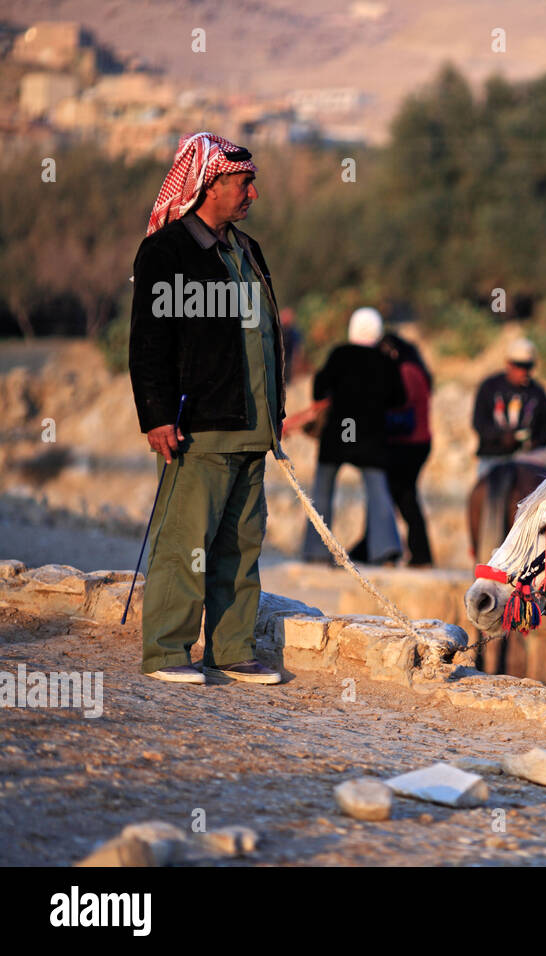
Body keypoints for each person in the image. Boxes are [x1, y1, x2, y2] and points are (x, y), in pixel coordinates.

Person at [128, 132, 285, 685]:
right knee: (185, 543)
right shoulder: (166, 252)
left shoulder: (247, 249)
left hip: (252, 429)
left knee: (241, 546)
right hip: (196, 429)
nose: (252, 194)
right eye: (244, 183)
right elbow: (149, 343)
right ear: (208, 184)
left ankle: (232, 649)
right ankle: (168, 651)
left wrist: (275, 415)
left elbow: (261, 338)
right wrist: (156, 416)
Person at [300, 308, 406, 566]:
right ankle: (386, 551)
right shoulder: (385, 361)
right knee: (378, 492)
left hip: (338, 434)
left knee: (322, 490)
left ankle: (316, 550)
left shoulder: (339, 354)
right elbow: (399, 398)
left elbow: (319, 386)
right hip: (371, 437)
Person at [348, 331, 435, 567]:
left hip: (408, 444)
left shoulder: (406, 372)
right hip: (414, 443)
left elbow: (399, 404)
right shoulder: (414, 369)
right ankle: (408, 552)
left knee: (399, 498)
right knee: (399, 497)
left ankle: (379, 549)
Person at [472, 338, 546, 478]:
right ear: (508, 364)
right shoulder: (490, 387)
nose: (524, 371)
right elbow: (479, 422)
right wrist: (501, 436)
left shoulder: (537, 393)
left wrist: (535, 443)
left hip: (526, 458)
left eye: (528, 366)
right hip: (492, 456)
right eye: (520, 366)